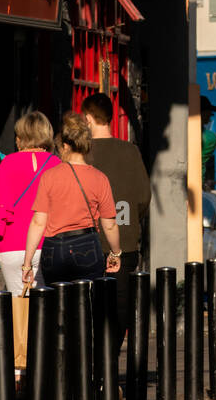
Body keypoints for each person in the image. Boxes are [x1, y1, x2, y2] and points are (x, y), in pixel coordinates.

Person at [82, 93, 151, 353]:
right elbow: (144, 198)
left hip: (86, 242)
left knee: (87, 311)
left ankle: (93, 370)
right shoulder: (130, 151)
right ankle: (108, 373)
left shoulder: (82, 153)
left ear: (88, 118)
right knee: (118, 312)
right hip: (124, 241)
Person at [22, 112, 122, 288]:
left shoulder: (49, 176)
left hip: (53, 249)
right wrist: (115, 253)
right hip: (86, 245)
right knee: (87, 305)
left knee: (57, 305)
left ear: (64, 145)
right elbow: (110, 224)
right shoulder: (99, 178)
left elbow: (38, 222)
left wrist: (27, 263)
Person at [0, 112, 59, 295]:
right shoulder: (57, 164)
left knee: (19, 308)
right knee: (46, 308)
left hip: (12, 247)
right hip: (49, 244)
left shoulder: (7, 164)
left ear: (20, 137)